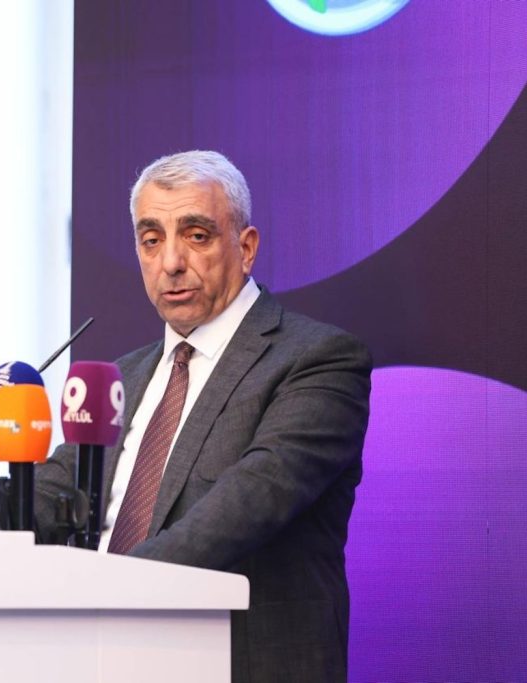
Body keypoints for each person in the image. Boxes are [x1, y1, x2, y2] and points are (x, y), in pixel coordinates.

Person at [35, 150, 372, 683]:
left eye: (195, 236)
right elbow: (58, 491)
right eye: (151, 240)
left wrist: (104, 592)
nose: (170, 262)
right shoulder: (123, 376)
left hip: (237, 663)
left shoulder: (317, 359)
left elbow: (249, 502)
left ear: (246, 247)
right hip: (97, 658)